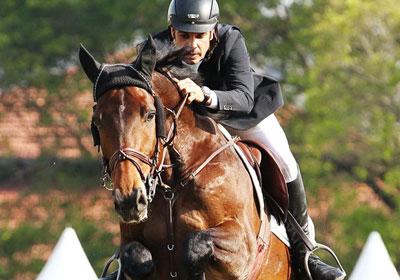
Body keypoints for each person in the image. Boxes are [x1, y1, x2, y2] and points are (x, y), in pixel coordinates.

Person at [149, 0, 346, 280]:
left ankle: (306, 254)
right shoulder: (156, 48)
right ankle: (127, 254)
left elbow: (243, 96)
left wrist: (205, 94)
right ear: (172, 32)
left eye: (199, 36)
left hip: (242, 114)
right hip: (190, 125)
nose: (192, 44)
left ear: (212, 31)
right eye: (184, 36)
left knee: (286, 162)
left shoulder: (231, 40)